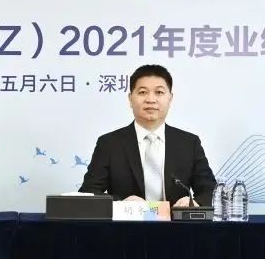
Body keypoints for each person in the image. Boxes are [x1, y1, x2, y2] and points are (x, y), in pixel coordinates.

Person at [80, 64, 216, 206]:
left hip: (176, 220)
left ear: (170, 98)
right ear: (130, 99)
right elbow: (88, 192)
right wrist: (120, 204)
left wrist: (194, 203)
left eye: (159, 92)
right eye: (143, 92)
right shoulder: (109, 144)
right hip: (127, 220)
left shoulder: (189, 143)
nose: (151, 99)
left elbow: (210, 190)